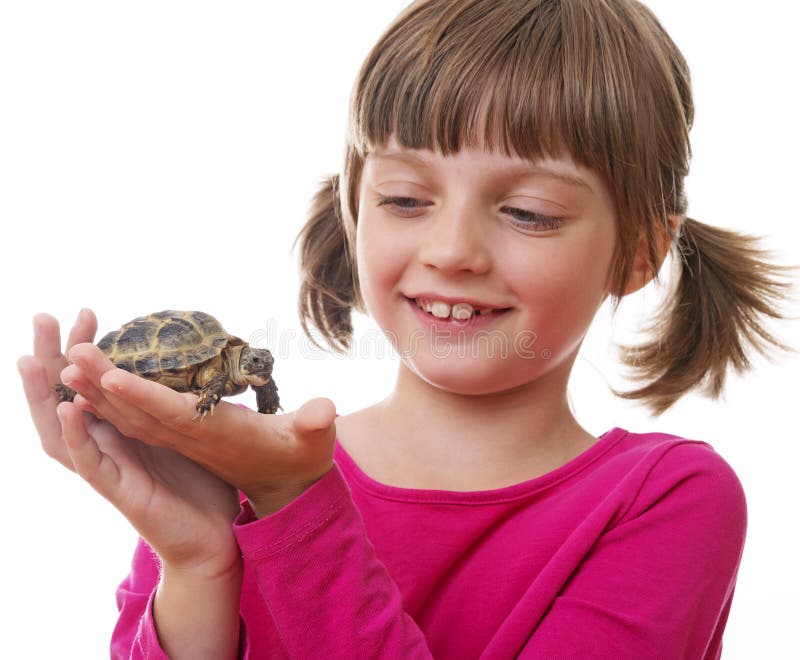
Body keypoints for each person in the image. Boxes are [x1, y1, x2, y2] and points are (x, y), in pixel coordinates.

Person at [18, 0, 791, 657]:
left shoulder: (665, 501)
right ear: (355, 211)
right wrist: (195, 561)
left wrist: (297, 505)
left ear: (639, 250)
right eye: (405, 199)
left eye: (528, 212)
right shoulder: (224, 464)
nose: (452, 251)